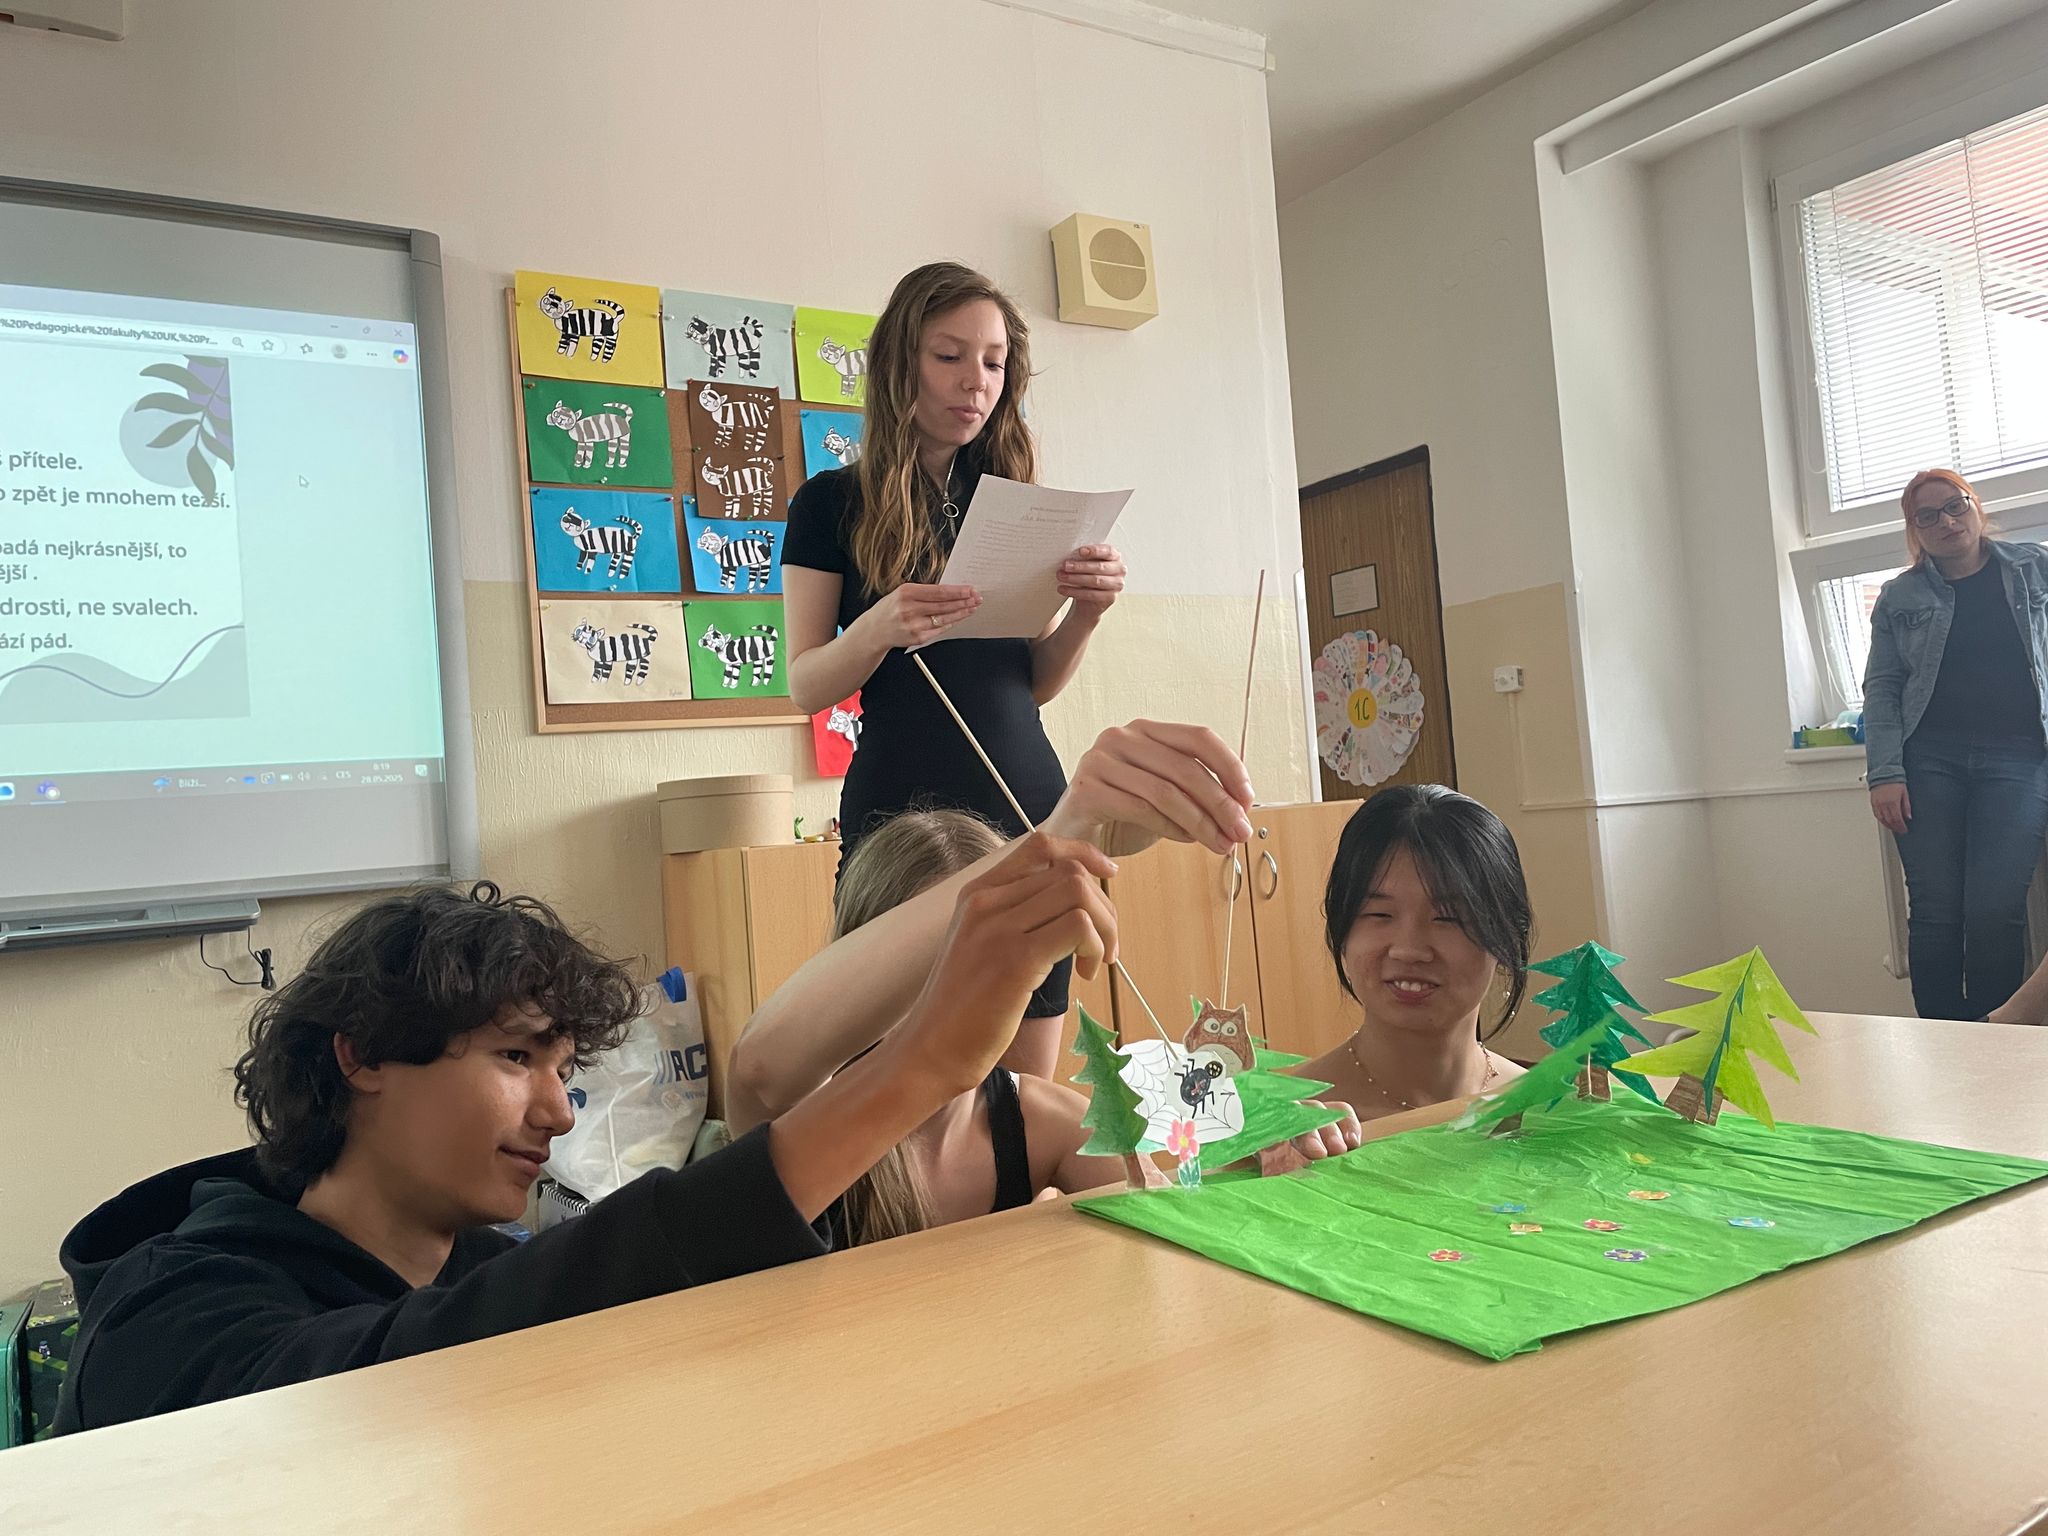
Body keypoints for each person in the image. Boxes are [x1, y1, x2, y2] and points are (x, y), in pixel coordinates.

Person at [53, 720, 1252, 1432]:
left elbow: (1170, 1143)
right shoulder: (175, 1305)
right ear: (359, 1057)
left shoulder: (481, 1262)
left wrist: (1247, 1130)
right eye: (514, 1057)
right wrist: (921, 1058)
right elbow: (376, 1390)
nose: (556, 1109)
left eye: (562, 1066)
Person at [782, 261, 1126, 1079]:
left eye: (995, 362)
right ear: (899, 362)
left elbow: (1030, 682)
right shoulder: (830, 503)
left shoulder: (1012, 503)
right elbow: (806, 684)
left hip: (1026, 803)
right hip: (900, 812)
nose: (977, 382)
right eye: (950, 356)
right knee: (890, 1075)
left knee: (1027, 1087)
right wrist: (880, 626)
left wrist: (1087, 612)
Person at [730, 807, 1362, 1241]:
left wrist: (1261, 1154)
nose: (958, 991)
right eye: (928, 965)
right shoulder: (799, 1119)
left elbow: (1177, 1207)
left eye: (988, 961)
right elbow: (756, 1074)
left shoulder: (1037, 1118)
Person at [1863, 468, 2048, 1021]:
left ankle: (1992, 1041)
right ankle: (1940, 1043)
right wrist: (1885, 772)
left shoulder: (2034, 567)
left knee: (1996, 907)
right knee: (1936, 911)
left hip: (2019, 757)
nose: (1945, 521)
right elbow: (1883, 686)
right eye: (1927, 515)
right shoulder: (1900, 596)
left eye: (1954, 505)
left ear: (1975, 505)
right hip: (1928, 760)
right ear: (1914, 529)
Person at [1282, 784, 1530, 1125]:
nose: (1408, 950)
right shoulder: (1287, 1125)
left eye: (1448, 918)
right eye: (1379, 914)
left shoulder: (1547, 1112)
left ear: (1505, 933)